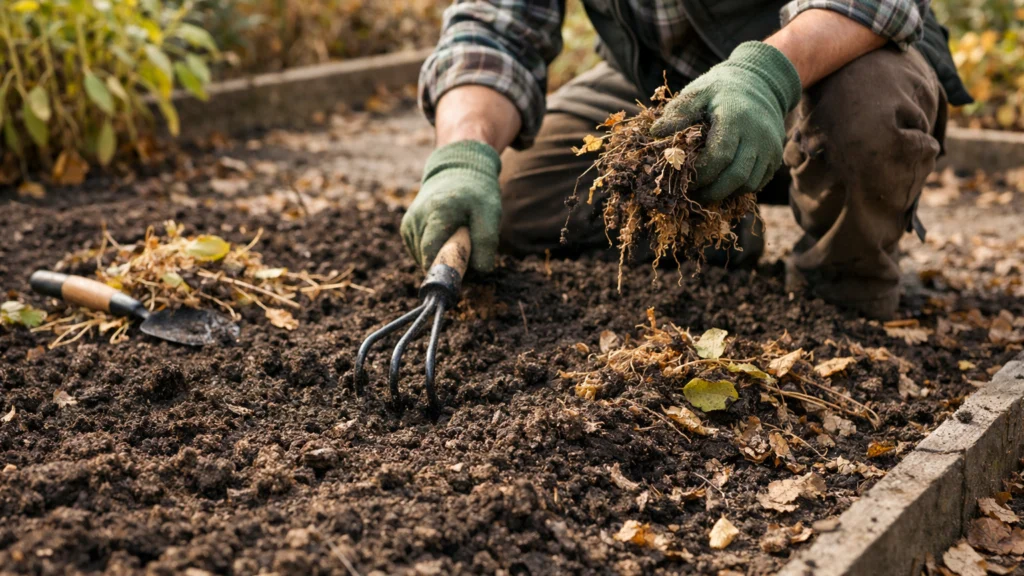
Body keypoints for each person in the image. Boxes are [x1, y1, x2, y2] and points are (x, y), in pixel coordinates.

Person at [401, 0, 971, 320]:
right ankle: (719, 221)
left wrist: (764, 75)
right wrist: (463, 155)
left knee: (865, 115)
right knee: (521, 198)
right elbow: (493, 33)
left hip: (836, 56)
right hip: (667, 85)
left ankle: (842, 301)